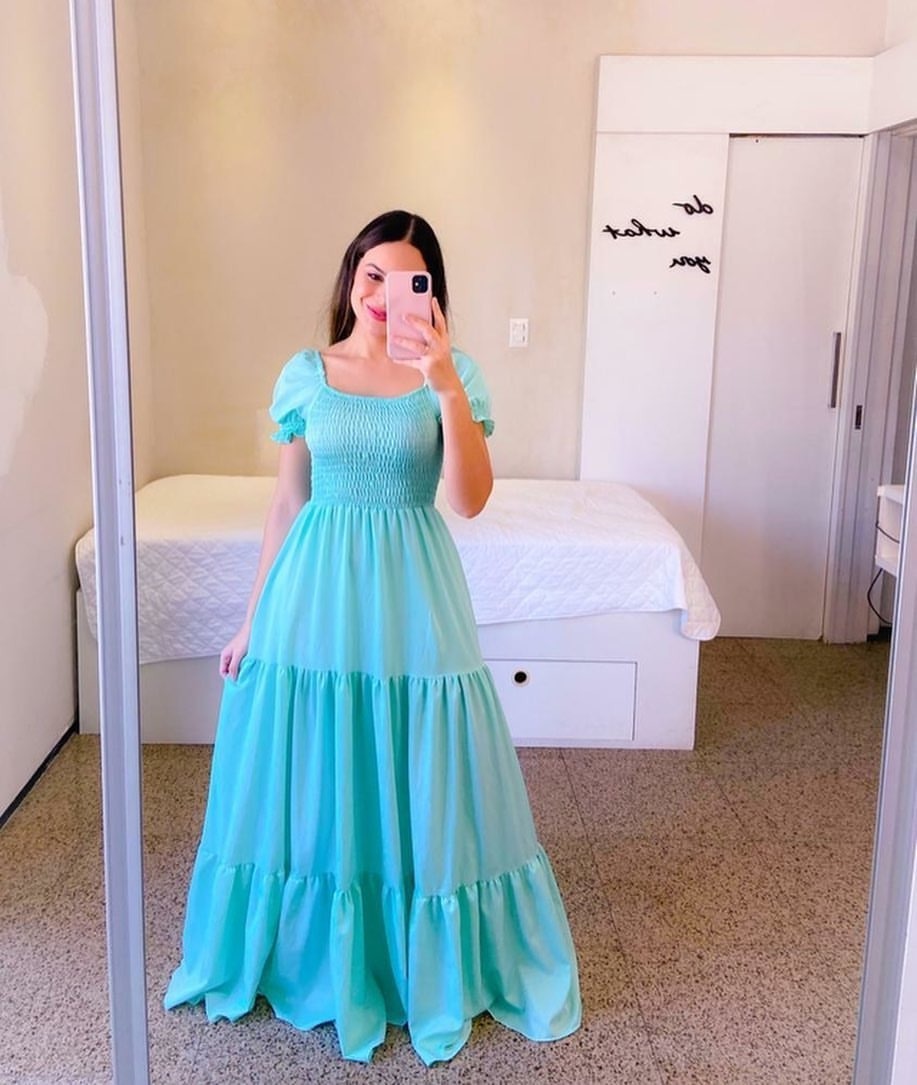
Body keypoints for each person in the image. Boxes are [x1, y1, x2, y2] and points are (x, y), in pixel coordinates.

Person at [163, 209, 582, 1065]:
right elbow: (288, 503)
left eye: (406, 278)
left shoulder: (452, 374)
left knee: (417, 759)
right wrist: (251, 616)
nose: (387, 293)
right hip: (313, 596)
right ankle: (315, 954)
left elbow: (468, 500)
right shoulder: (307, 374)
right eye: (372, 275)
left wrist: (444, 383)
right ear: (351, 280)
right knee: (324, 764)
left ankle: (412, 956)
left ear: (432, 292)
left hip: (412, 595)